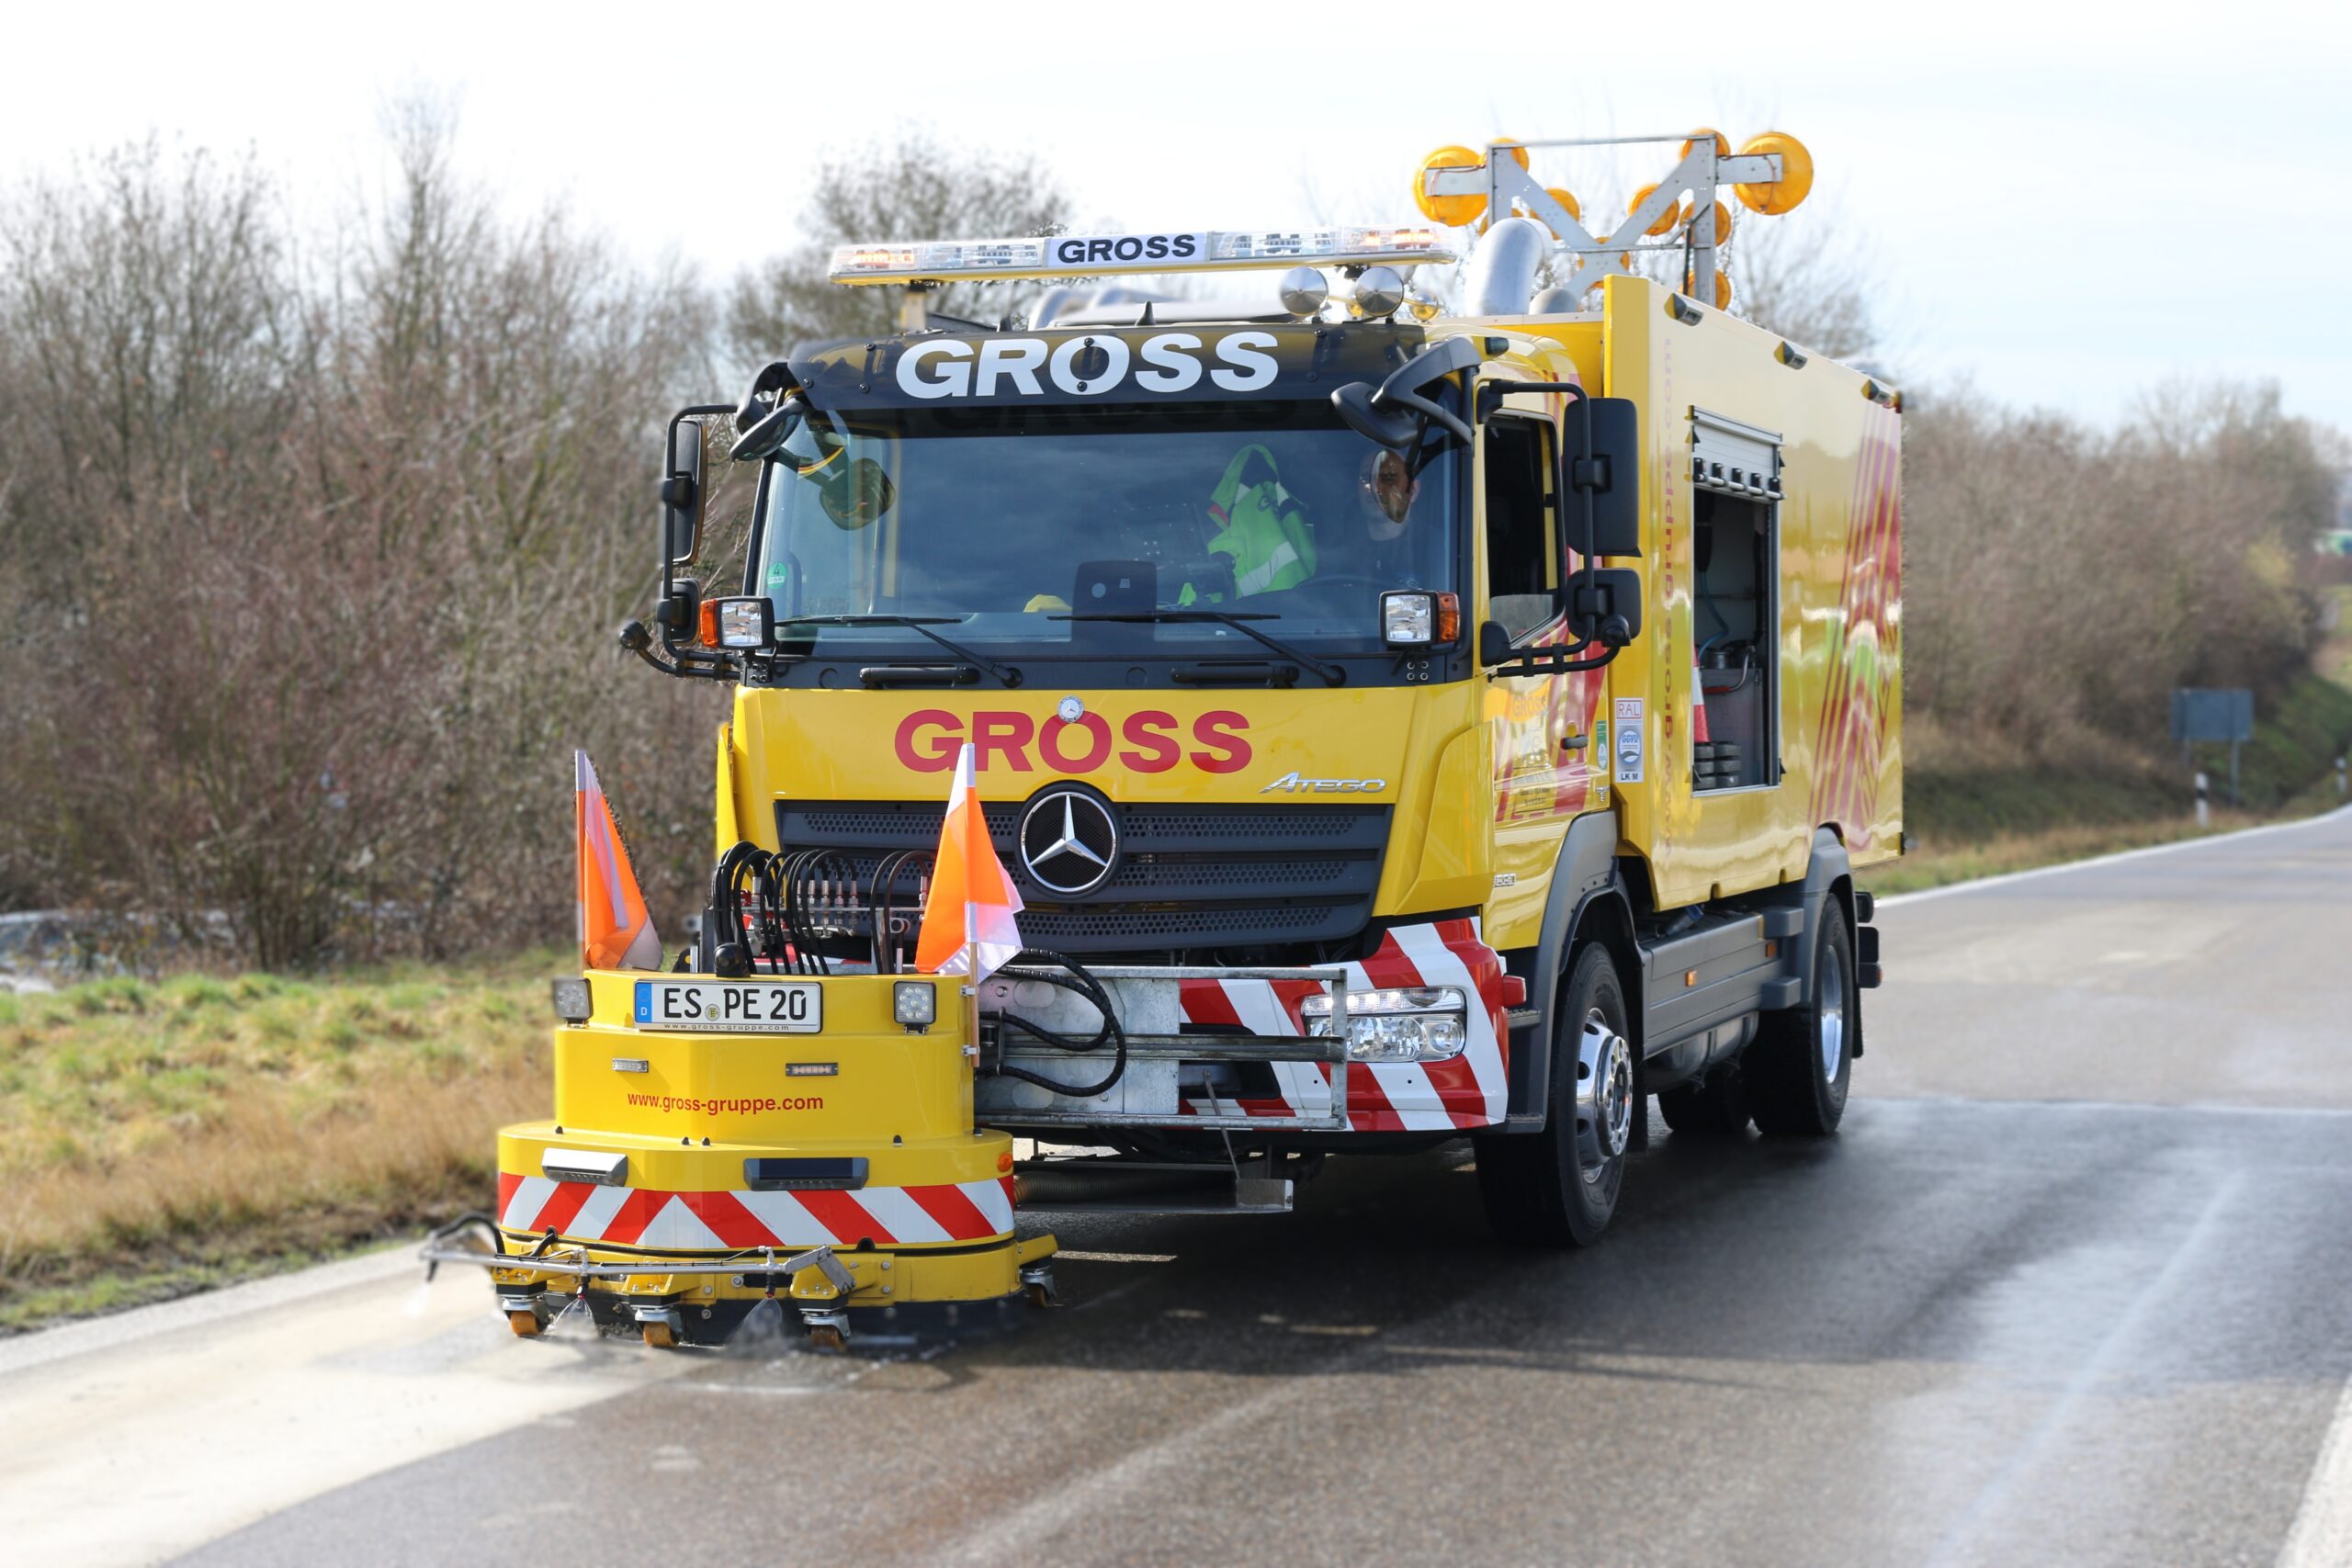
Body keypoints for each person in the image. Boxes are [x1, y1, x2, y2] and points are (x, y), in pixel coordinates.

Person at [1178, 444, 1317, 604]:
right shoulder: (1293, 526)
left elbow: (1188, 612)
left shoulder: (1210, 555)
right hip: (1298, 620)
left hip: (1298, 624)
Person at [1354, 447, 1431, 586]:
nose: (1375, 488)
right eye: (1366, 479)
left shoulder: (1437, 550)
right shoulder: (1341, 552)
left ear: (1413, 490)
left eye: (1388, 478)